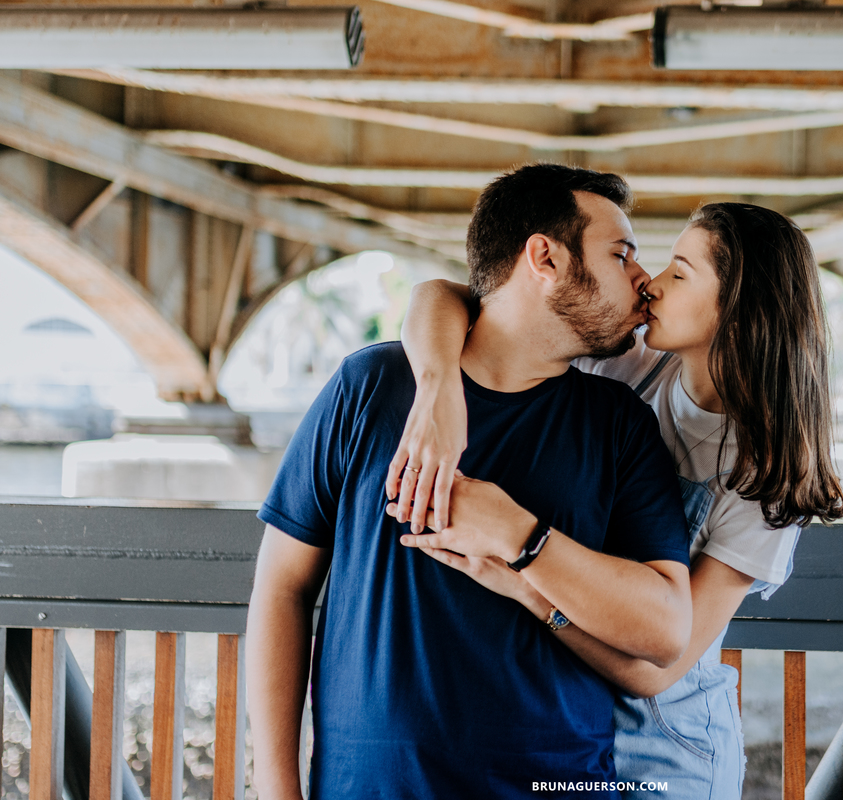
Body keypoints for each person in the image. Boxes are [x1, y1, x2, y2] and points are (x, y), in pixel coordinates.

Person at [246, 164, 695, 800]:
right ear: (545, 257)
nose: (641, 279)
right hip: (367, 788)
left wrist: (520, 536)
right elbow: (282, 588)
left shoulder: (618, 423)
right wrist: (275, 788)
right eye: (621, 254)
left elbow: (667, 628)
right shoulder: (370, 388)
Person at [388, 201, 843, 798]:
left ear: (738, 309)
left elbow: (655, 670)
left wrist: (527, 581)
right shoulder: (632, 369)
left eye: (679, 274)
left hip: (668, 749)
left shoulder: (766, 473)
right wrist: (437, 388)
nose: (651, 285)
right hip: (571, 721)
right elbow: (440, 296)